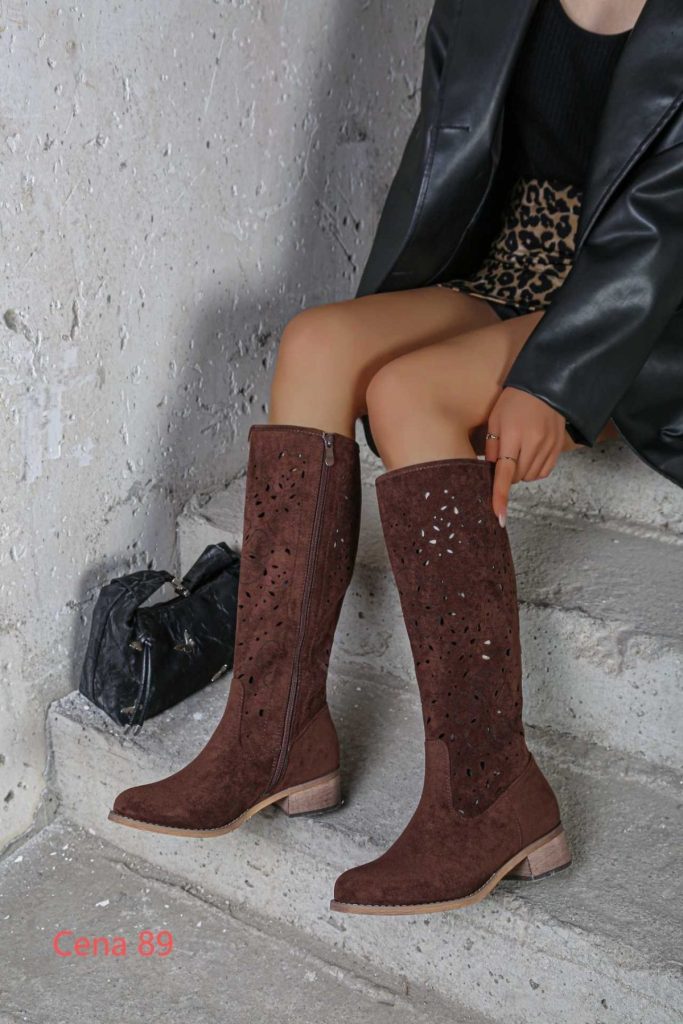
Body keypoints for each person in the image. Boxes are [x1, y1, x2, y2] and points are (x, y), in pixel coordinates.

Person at [109, 0, 683, 915]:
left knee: (410, 395)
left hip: (638, 306)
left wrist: (558, 382)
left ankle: (490, 791)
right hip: (511, 263)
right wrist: (381, 329)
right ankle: (273, 733)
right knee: (314, 344)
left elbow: (661, 229)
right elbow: (441, 169)